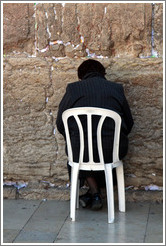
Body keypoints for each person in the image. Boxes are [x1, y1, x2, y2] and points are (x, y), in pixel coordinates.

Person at [56, 59, 134, 210]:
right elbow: (129, 123)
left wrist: (72, 138)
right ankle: (95, 194)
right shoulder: (116, 89)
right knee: (99, 154)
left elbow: (60, 123)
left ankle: (93, 193)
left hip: (80, 151)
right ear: (103, 74)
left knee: (80, 153)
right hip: (113, 150)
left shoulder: (73, 89)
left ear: (81, 77)